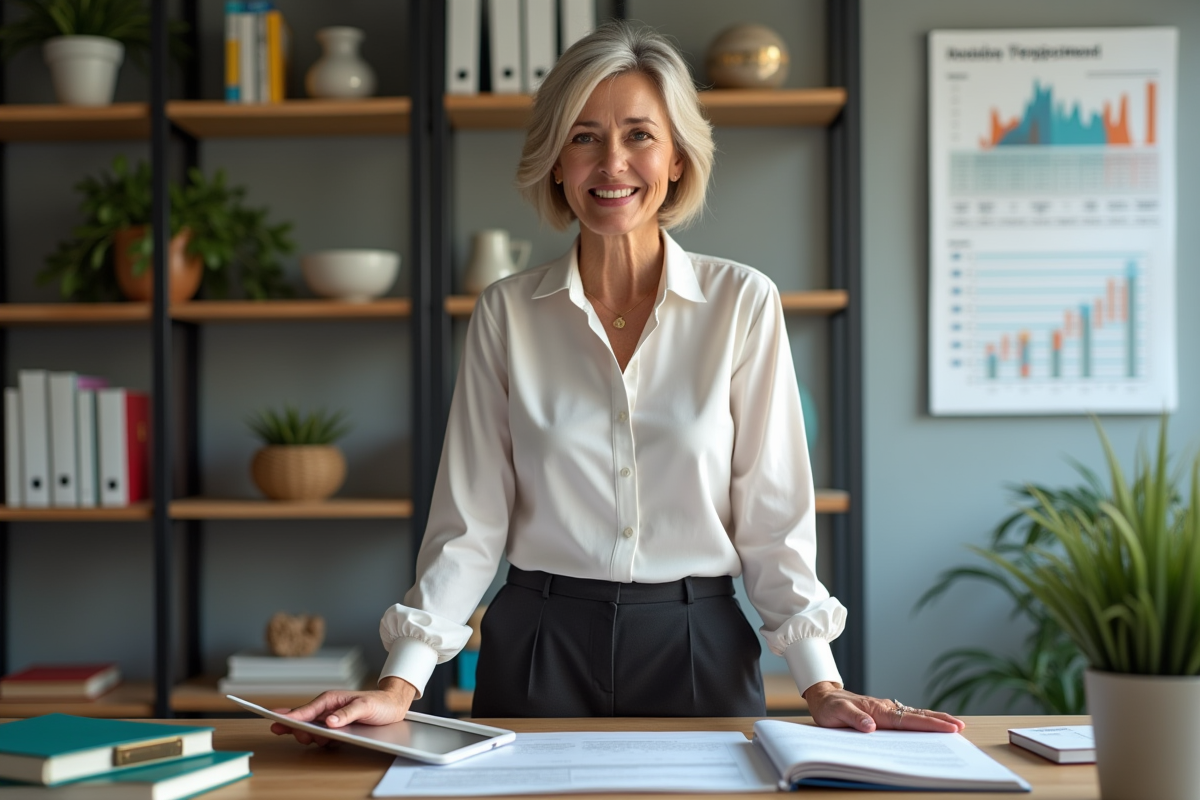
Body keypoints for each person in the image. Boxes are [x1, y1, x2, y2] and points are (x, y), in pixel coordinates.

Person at [273, 20, 963, 740]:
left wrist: (821, 684)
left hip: (697, 644)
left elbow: (774, 517)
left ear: (676, 159)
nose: (612, 163)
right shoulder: (506, 312)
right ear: (556, 162)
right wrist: (399, 685)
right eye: (584, 136)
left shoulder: (743, 303)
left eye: (639, 135)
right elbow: (470, 522)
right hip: (537, 643)